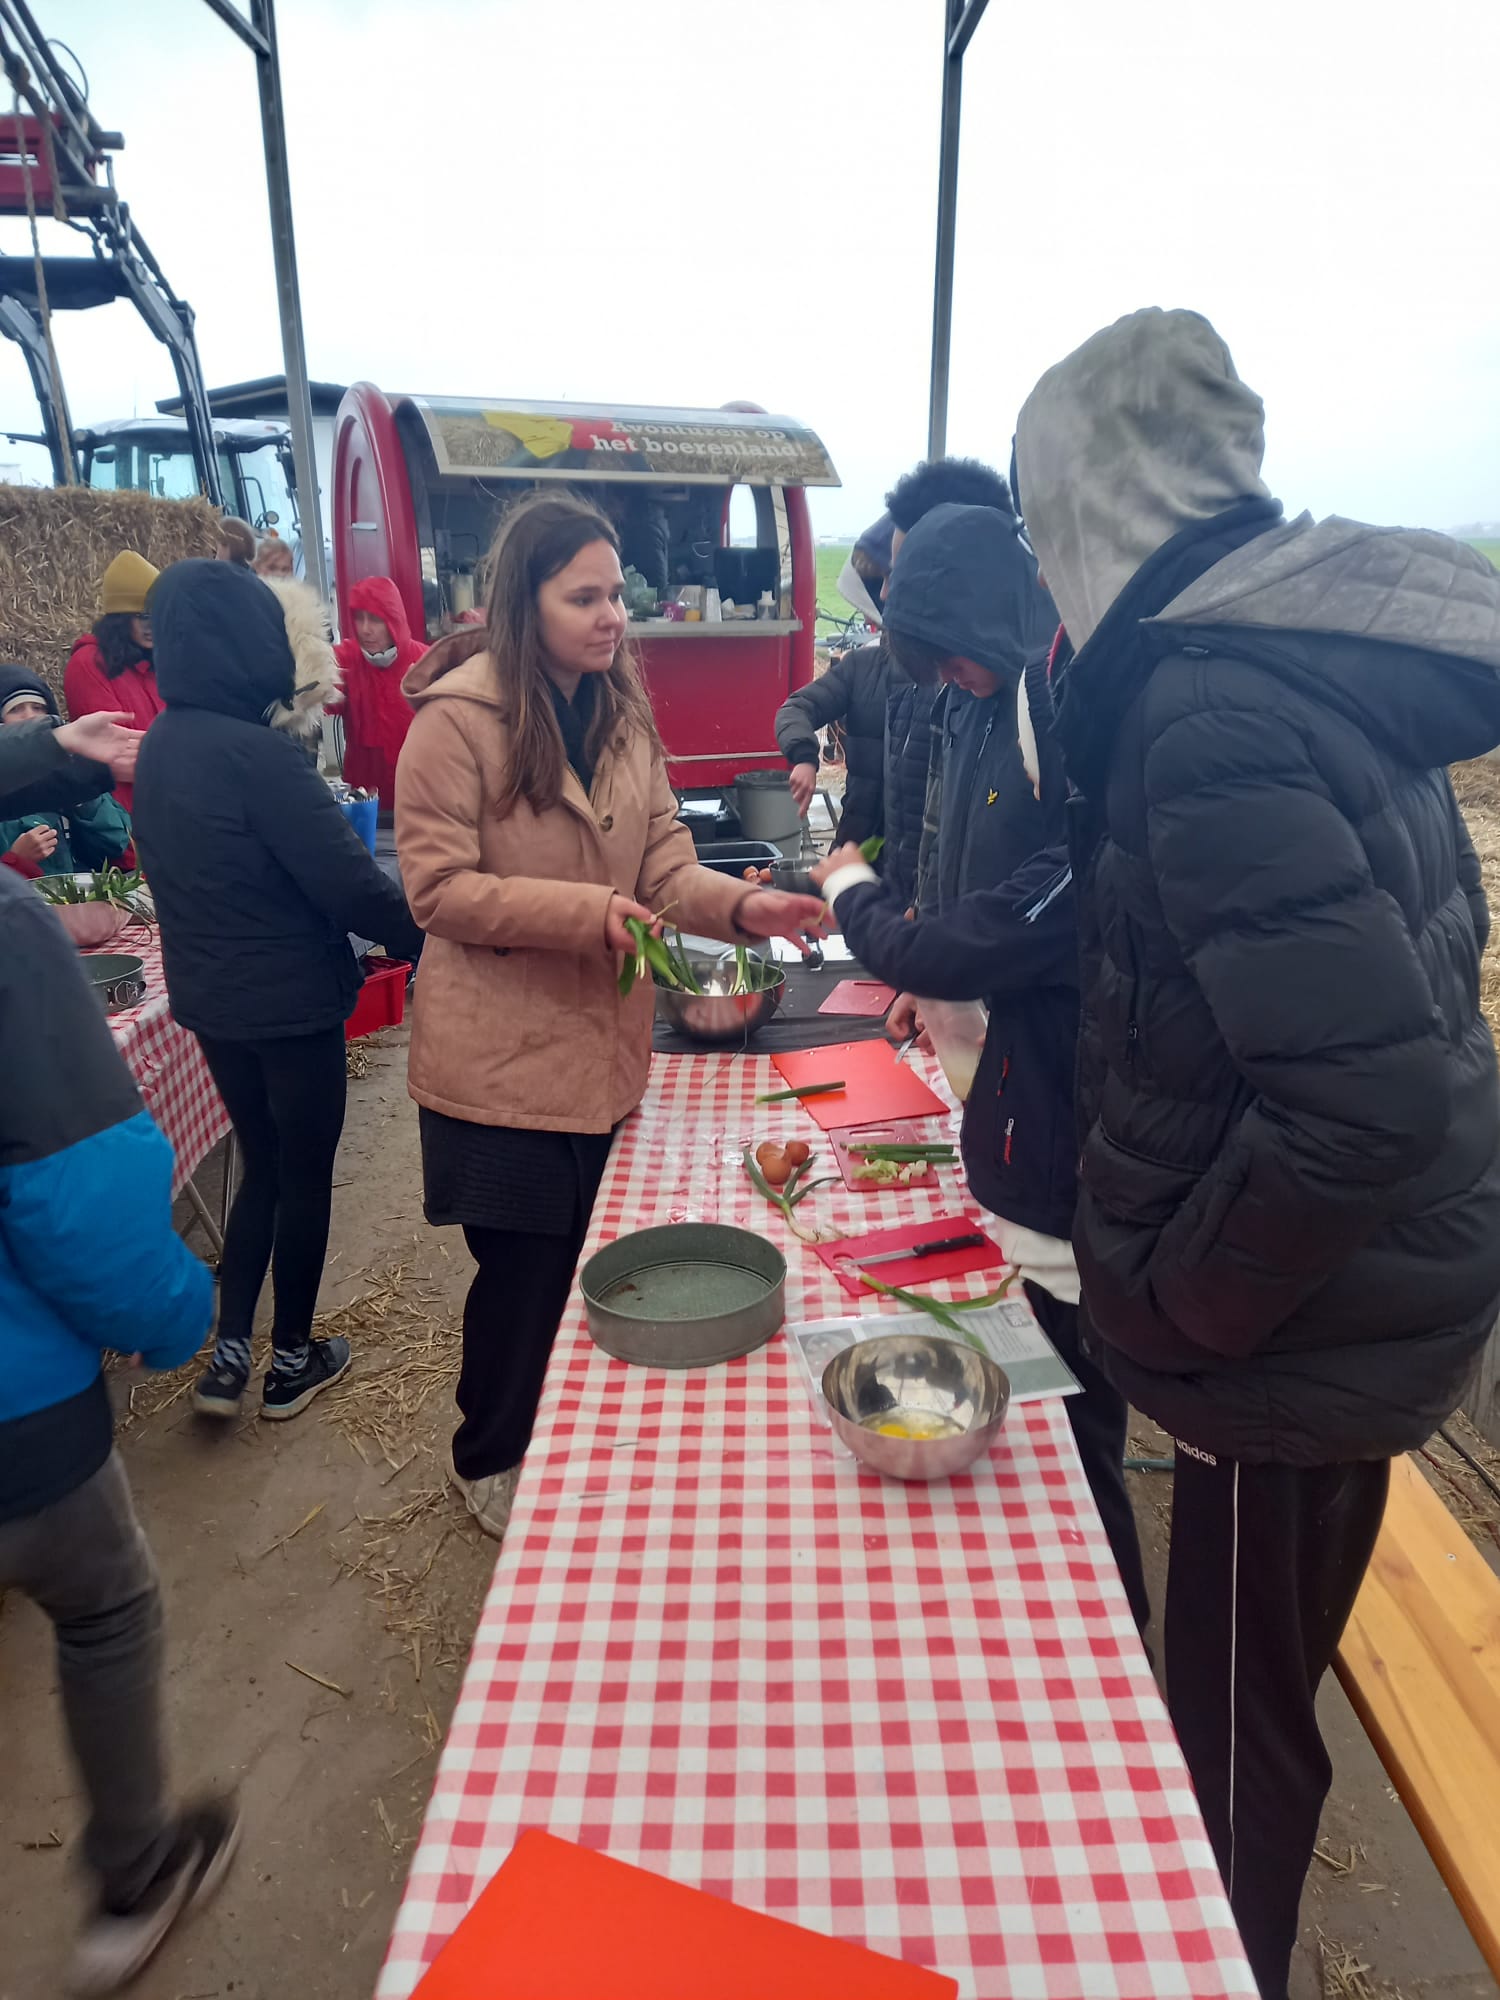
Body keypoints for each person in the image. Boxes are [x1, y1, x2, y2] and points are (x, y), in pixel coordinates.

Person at [1012, 305, 1500, 1999]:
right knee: (1254, 1689)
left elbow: (1365, 1105)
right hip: (1357, 1311)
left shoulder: (1207, 711)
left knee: (1234, 1740)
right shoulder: (1284, 660)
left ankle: (1222, 1971)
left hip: (1291, 1337)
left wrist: (1185, 1309)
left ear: (1091, 514)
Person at [396, 491, 828, 1536]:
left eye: (615, 593)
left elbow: (665, 858)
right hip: (498, 1065)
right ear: (521, 603)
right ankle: (488, 1454)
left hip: (600, 1049)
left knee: (584, 1263)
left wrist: (740, 905)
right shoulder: (456, 724)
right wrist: (590, 914)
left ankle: (559, 1439)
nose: (611, 616)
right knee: (522, 1274)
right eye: (581, 596)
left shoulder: (623, 712)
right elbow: (436, 892)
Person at [810, 508, 1150, 1636]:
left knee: (1076, 1414)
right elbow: (958, 873)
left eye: (950, 653)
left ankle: (1111, 1638)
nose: (946, 676)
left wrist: (866, 899)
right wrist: (933, 958)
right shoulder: (970, 704)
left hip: (1070, 1104)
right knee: (1053, 1367)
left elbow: (1008, 915)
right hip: (1011, 1074)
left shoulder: (1072, 725)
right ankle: (1068, 1604)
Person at [0, 861, 236, 1996]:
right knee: (104, 1606)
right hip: (16, 1421)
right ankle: (135, 1876)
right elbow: (77, 1191)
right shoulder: (8, 927)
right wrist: (176, 1311)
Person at [132, 561, 425, 1423]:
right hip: (290, 1003)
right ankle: (291, 1361)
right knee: (304, 1176)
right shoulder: (259, 754)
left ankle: (228, 1357)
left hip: (211, 1002)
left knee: (259, 1165)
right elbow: (350, 885)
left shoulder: (162, 744)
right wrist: (431, 936)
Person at [880, 456, 1016, 908]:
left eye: (902, 575)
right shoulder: (958, 694)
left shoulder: (1042, 703)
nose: (885, 593)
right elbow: (936, 836)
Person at [774, 516, 893, 839]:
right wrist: (804, 757)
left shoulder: (950, 678)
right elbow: (795, 708)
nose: (882, 594)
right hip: (859, 842)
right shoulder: (860, 667)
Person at [0, 669, 132, 878]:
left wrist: (82, 802)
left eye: (38, 707)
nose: (30, 716)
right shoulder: (6, 789)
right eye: (16, 709)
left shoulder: (75, 773)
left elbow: (114, 847)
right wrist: (17, 859)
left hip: (79, 901)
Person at [63, 552, 163, 810]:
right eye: (142, 616)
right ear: (120, 618)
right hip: (128, 820)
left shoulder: (158, 663)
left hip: (171, 811)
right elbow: (117, 756)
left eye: (158, 614)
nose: (152, 625)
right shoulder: (88, 664)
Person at [333, 575, 428, 808]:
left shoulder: (426, 662)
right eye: (359, 618)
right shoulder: (345, 660)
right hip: (365, 804)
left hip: (418, 799)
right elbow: (314, 697)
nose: (365, 629)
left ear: (393, 620)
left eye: (375, 619)